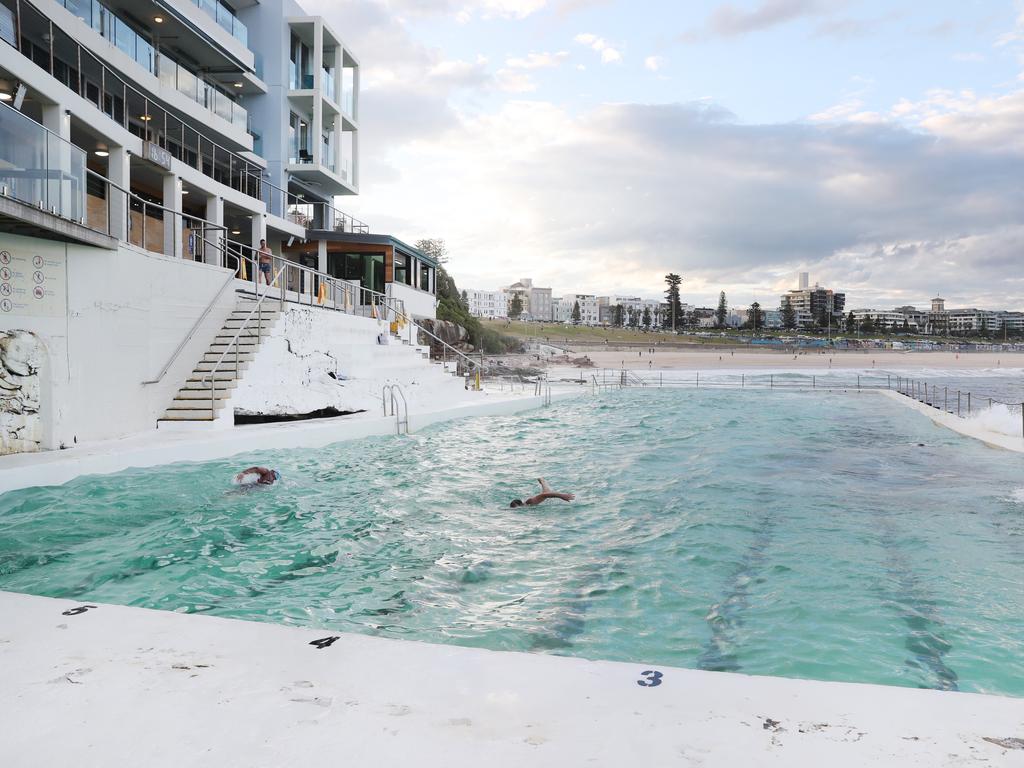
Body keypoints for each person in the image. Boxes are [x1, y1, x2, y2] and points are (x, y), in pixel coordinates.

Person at [510, 478, 575, 508]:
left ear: (520, 505)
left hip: (543, 496)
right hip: (543, 496)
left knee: (546, 493)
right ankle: (542, 481)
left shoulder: (530, 502)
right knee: (546, 492)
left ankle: (542, 481)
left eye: (517, 508)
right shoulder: (525, 506)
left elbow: (544, 495)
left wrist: (561, 496)